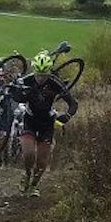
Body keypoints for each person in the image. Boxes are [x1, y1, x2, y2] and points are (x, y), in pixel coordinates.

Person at [7, 50, 78, 196]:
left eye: (44, 75)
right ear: (34, 70)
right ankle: (26, 175)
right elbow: (14, 95)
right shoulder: (27, 80)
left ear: (48, 72)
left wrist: (68, 116)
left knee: (42, 160)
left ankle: (34, 185)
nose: (40, 78)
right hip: (30, 120)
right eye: (38, 74)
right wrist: (17, 91)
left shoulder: (54, 83)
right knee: (29, 153)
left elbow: (73, 103)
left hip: (47, 123)